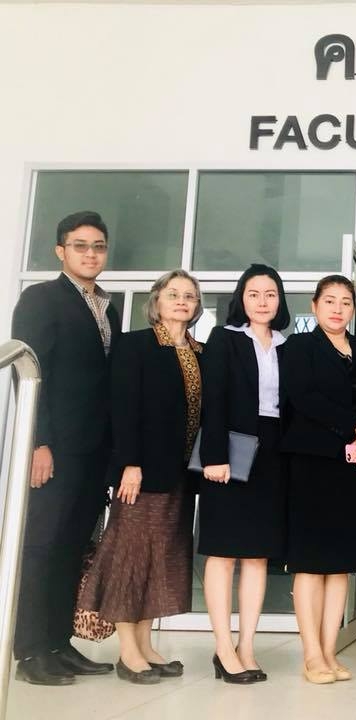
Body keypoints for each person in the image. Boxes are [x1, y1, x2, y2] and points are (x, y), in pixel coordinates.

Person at [78, 269, 204, 684]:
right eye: (173, 294)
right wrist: (128, 463)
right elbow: (123, 407)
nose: (182, 301)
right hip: (141, 473)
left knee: (160, 559)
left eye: (189, 296)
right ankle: (127, 652)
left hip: (180, 474)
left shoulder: (199, 351)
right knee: (130, 557)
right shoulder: (136, 345)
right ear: (157, 301)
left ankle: (146, 645)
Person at [11, 211, 119, 685]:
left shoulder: (107, 308)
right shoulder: (41, 299)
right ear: (61, 251)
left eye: (98, 246)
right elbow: (29, 373)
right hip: (55, 449)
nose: (90, 254)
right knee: (42, 546)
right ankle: (30, 651)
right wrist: (39, 442)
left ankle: (58, 642)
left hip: (93, 452)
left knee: (72, 546)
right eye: (80, 245)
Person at [280, 275, 356, 685]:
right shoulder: (299, 347)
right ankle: (310, 654)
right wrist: (354, 427)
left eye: (345, 302)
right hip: (312, 462)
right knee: (310, 561)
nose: (338, 309)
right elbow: (304, 397)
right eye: (329, 301)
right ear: (315, 305)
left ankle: (329, 651)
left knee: (341, 562)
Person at [198, 264, 291, 684]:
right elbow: (213, 399)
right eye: (254, 294)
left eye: (270, 294)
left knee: (257, 553)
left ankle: (246, 646)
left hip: (273, 452)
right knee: (223, 551)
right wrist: (215, 456)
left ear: (280, 300)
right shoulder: (225, 339)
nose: (262, 301)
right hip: (231, 450)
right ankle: (223, 647)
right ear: (241, 298)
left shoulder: (288, 345)